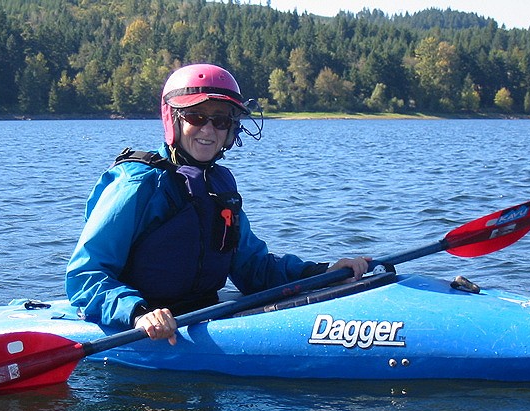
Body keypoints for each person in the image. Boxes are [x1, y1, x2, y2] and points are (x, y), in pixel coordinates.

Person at [65, 63, 369, 345]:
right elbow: (85, 276)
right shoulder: (137, 184)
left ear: (231, 128)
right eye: (196, 117)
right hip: (141, 324)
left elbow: (253, 268)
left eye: (221, 120)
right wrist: (139, 312)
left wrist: (321, 273)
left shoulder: (220, 187)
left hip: (202, 316)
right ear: (173, 120)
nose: (208, 130)